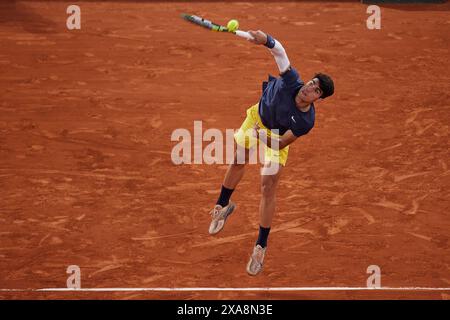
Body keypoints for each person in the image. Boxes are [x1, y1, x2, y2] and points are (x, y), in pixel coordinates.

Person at [209, 30, 335, 276]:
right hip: (257, 117)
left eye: (316, 89)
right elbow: (279, 51)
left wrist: (260, 135)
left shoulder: (305, 121)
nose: (309, 87)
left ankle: (260, 245)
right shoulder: (291, 81)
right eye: (312, 82)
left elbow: (280, 144)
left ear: (319, 99)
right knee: (238, 159)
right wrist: (264, 39)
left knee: (268, 186)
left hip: (274, 138)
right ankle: (222, 205)